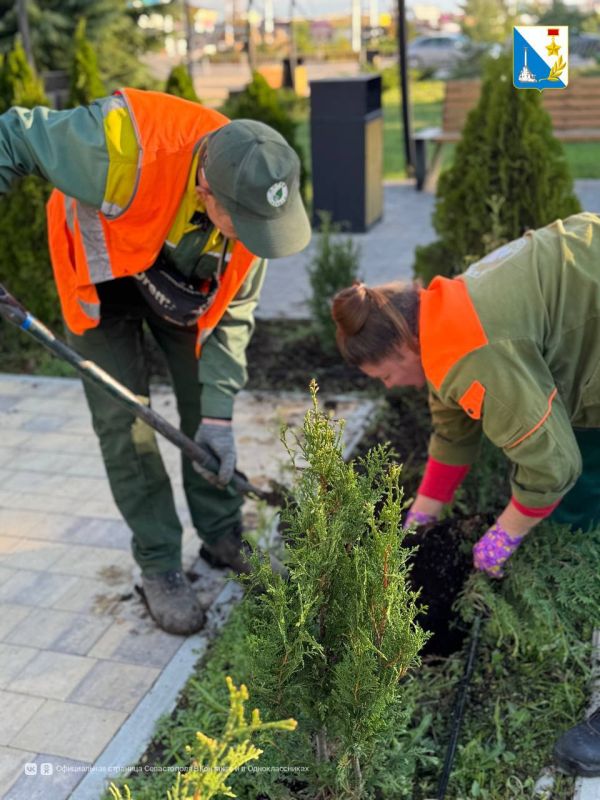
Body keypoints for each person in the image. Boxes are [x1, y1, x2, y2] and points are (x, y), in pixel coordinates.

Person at [0, 88, 311, 636]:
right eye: (243, 224)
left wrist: (217, 418)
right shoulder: (119, 144)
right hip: (102, 282)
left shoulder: (255, 198)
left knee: (205, 412)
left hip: (179, 285)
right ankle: (160, 564)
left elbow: (233, 315)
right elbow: (13, 133)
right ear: (205, 188)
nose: (254, 239)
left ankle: (220, 535)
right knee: (126, 426)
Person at [331, 211, 600, 777]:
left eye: (383, 375)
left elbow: (552, 466)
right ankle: (580, 551)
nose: (389, 387)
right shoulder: (441, 312)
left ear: (403, 345)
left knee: (560, 470)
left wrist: (505, 535)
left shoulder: (468, 350)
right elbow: (452, 434)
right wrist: (417, 525)